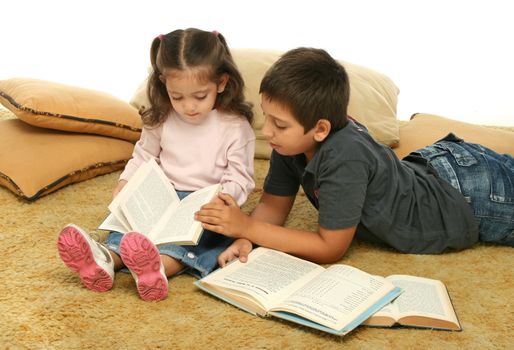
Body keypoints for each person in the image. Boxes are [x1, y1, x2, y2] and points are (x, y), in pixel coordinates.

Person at [195, 47, 514, 267]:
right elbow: (273, 206)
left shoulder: (345, 155)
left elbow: (330, 247)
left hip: (469, 195)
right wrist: (249, 238)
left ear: (320, 129)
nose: (268, 132)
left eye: (279, 124)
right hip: (436, 168)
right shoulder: (288, 143)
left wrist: (246, 228)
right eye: (267, 117)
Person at [57, 28, 255, 301]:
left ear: (221, 83)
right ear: (164, 84)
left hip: (206, 203)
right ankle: (103, 260)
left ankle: (155, 270)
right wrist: (125, 183)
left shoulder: (234, 126)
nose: (189, 107)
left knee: (189, 243)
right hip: (162, 195)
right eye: (178, 97)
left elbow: (241, 177)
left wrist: (224, 200)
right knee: (125, 231)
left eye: (200, 96)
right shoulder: (162, 118)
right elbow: (143, 156)